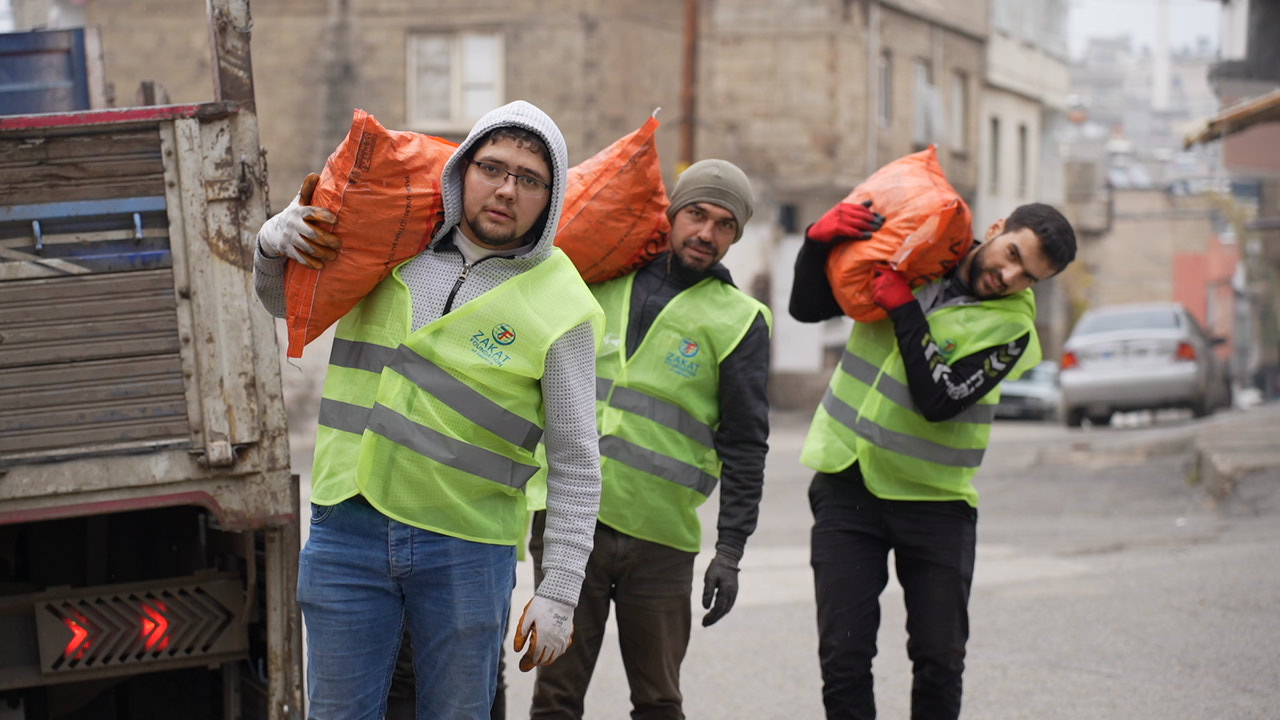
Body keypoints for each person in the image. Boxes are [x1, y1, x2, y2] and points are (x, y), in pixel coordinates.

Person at [252, 100, 603, 720]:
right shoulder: (389, 246)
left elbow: (577, 460)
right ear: (463, 169)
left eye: (529, 179)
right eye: (492, 168)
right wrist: (269, 245)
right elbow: (284, 302)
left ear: (549, 198)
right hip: (347, 529)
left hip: (467, 547)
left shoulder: (563, 302)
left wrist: (561, 590)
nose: (505, 189)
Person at [789, 200, 1077, 720]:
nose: (1008, 275)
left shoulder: (1010, 330)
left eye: (1028, 276)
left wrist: (904, 311)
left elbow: (939, 401)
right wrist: (816, 242)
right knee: (844, 656)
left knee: (939, 660)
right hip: (846, 482)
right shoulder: (918, 255)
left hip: (936, 504)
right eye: (1012, 254)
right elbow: (806, 310)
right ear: (995, 230)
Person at [529, 159, 772, 719]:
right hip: (571, 524)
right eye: (696, 215)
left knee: (659, 702)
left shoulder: (739, 320)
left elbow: (745, 444)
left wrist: (730, 551)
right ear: (672, 215)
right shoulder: (602, 282)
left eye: (725, 224)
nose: (707, 233)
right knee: (555, 698)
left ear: (736, 235)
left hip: (662, 540)